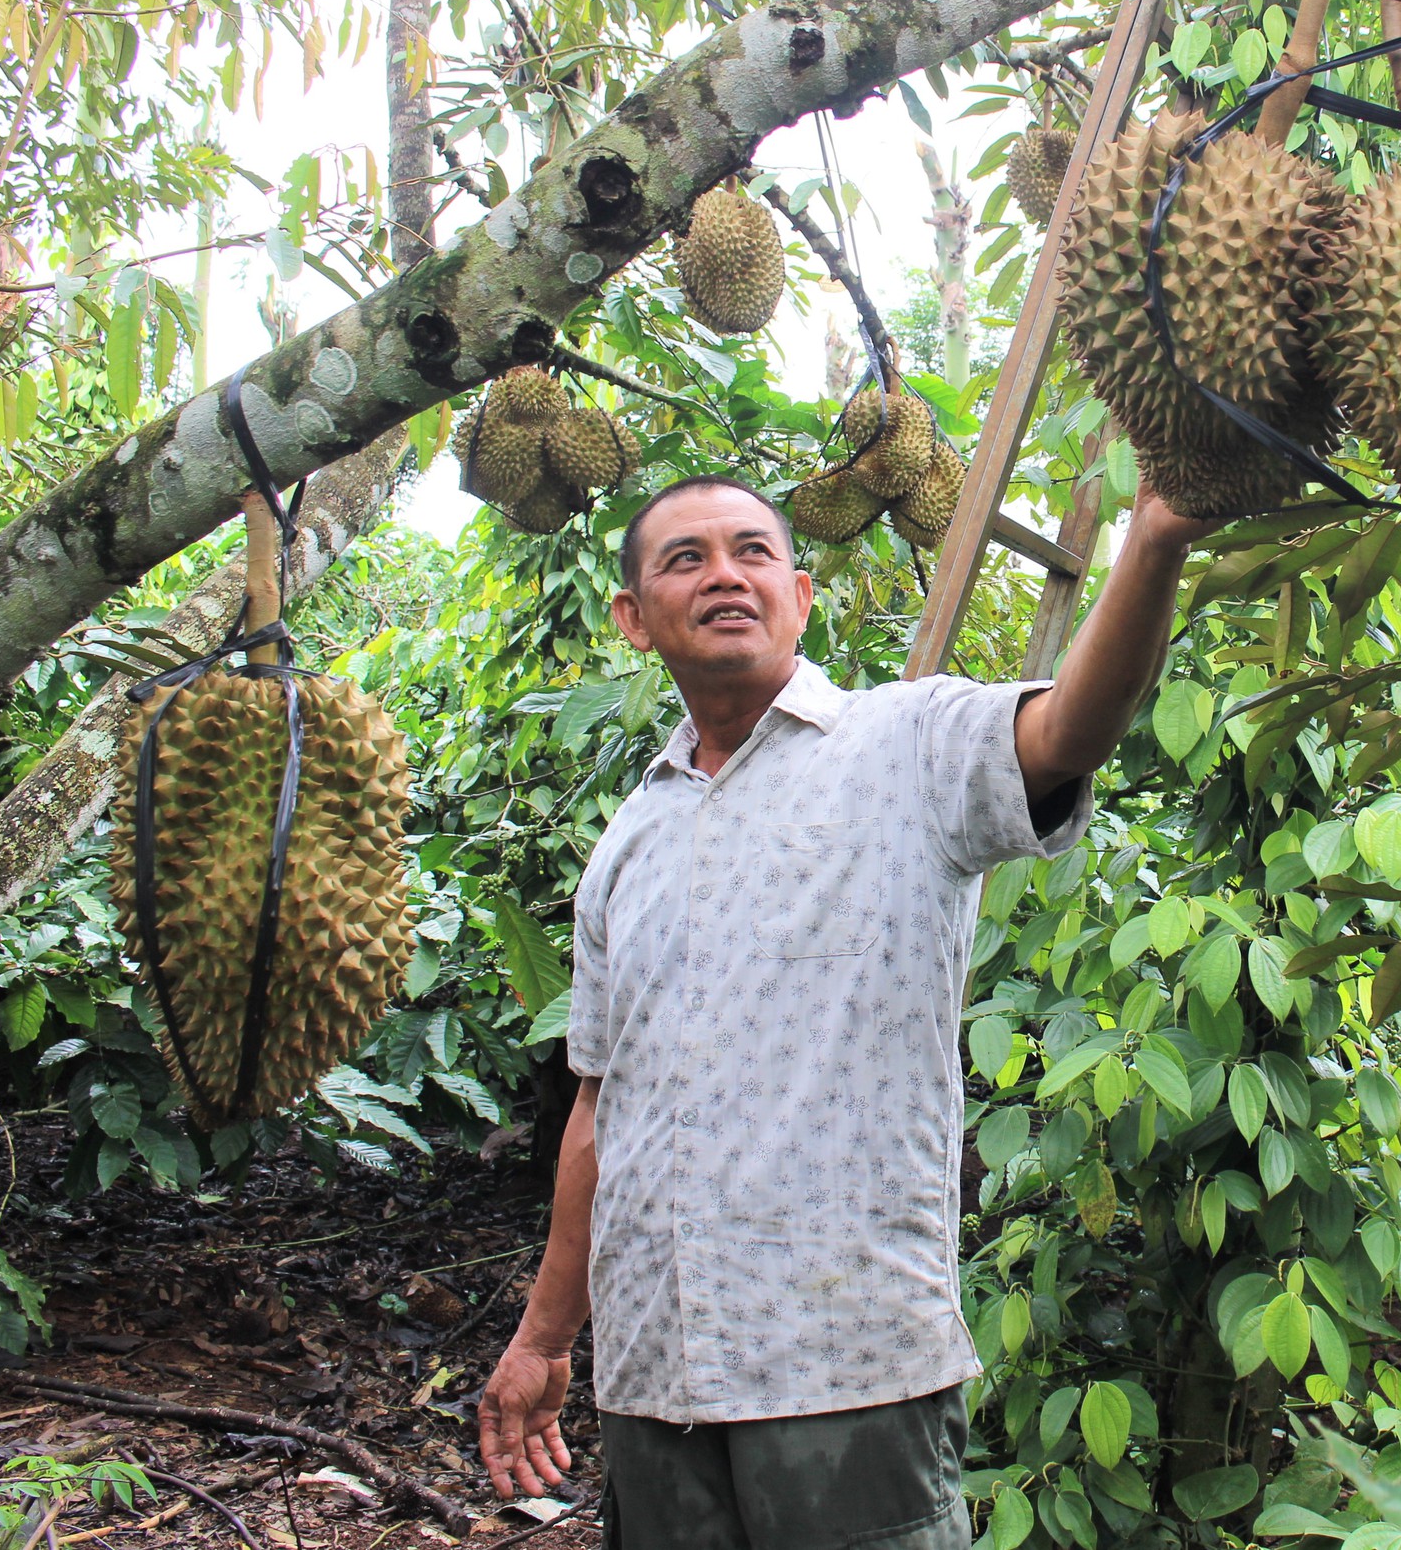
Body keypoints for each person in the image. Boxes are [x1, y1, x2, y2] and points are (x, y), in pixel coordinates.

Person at [476, 474, 1217, 1549]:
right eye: (685, 559)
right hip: (651, 1374)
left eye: (752, 552)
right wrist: (545, 1337)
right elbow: (603, 1106)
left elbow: (1066, 730)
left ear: (801, 594)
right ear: (632, 618)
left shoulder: (908, 743)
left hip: (842, 1361)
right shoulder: (625, 845)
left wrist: (1151, 542)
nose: (724, 574)